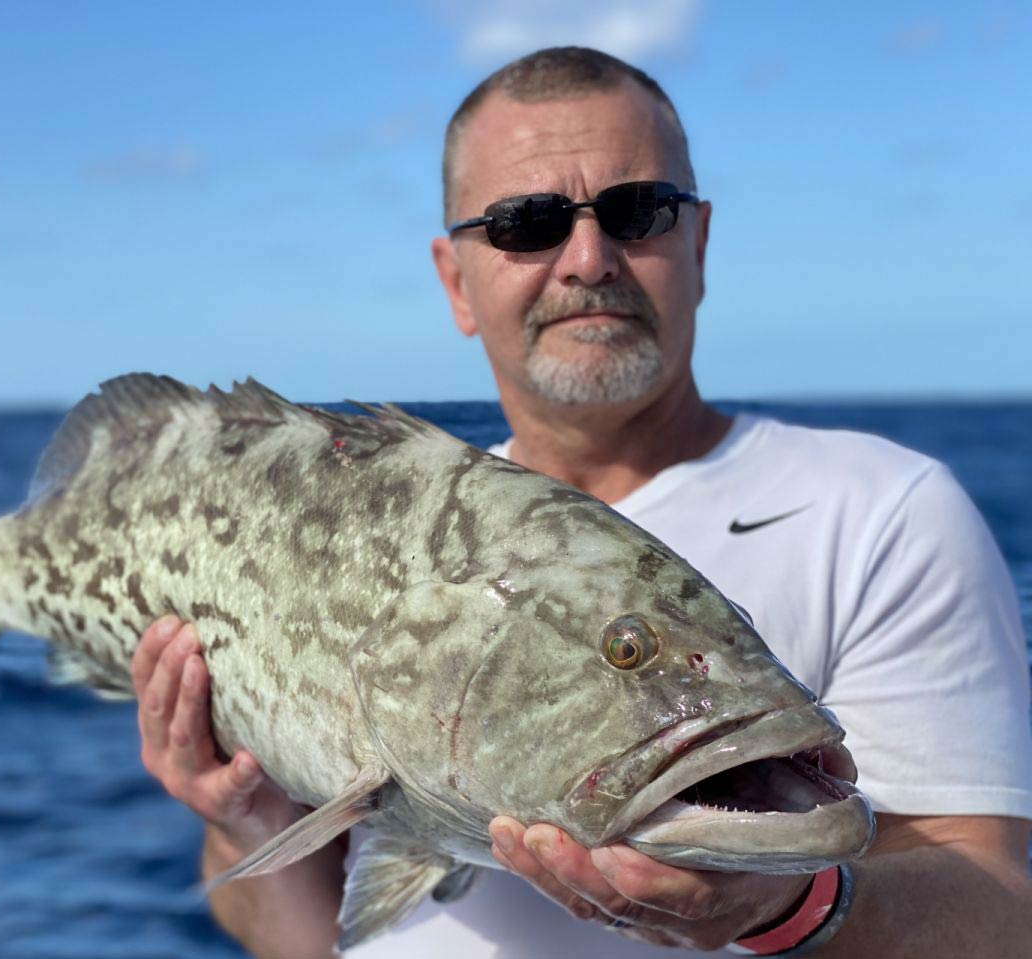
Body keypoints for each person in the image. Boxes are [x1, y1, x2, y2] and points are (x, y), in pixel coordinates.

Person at [129, 47, 1032, 957]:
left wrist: (785, 907)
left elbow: (1002, 918)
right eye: (528, 224)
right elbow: (301, 942)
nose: (589, 259)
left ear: (700, 242)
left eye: (638, 211)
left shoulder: (881, 512)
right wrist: (245, 822)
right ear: (455, 281)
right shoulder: (379, 538)